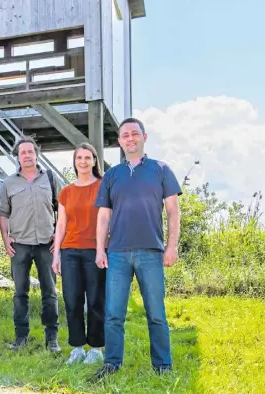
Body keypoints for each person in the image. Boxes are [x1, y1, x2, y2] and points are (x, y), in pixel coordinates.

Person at [91, 118, 181, 380]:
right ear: (119, 142)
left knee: (156, 314)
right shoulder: (111, 175)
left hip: (151, 252)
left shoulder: (161, 170)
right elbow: (103, 217)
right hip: (117, 254)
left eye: (134, 134)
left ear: (144, 136)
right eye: (124, 136)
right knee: (113, 314)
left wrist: (171, 246)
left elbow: (173, 213)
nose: (130, 139)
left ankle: (163, 367)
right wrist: (100, 250)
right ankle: (112, 364)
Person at [0, 136, 61, 353]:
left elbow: (60, 209)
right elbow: (4, 213)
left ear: (37, 154)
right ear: (17, 157)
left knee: (50, 292)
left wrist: (58, 236)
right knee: (20, 293)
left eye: (30, 152)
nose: (27, 156)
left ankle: (52, 339)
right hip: (20, 245)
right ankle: (21, 337)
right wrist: (5, 237)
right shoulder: (8, 183)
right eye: (23, 152)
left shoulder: (50, 179)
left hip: (47, 244)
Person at [51, 143, 105, 365]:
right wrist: (56, 256)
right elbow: (61, 224)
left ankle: (95, 348)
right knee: (72, 300)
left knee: (95, 300)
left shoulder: (103, 186)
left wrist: (102, 250)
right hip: (69, 251)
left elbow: (106, 219)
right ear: (74, 162)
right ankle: (77, 348)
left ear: (94, 161)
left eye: (87, 157)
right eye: (79, 158)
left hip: (95, 250)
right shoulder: (66, 192)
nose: (83, 161)